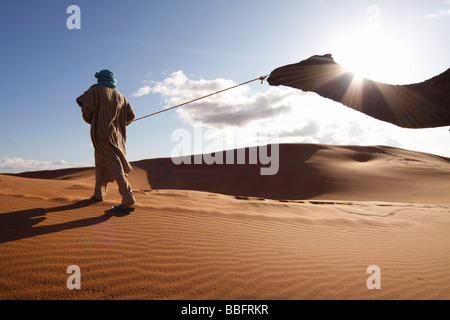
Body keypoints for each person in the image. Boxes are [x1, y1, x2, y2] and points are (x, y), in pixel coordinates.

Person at [76, 69, 136, 213]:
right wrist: (121, 123)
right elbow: (131, 115)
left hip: (102, 133)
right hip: (117, 136)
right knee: (101, 161)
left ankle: (127, 196)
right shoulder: (121, 96)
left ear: (100, 79)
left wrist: (91, 119)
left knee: (112, 161)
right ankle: (99, 194)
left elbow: (86, 108)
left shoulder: (96, 90)